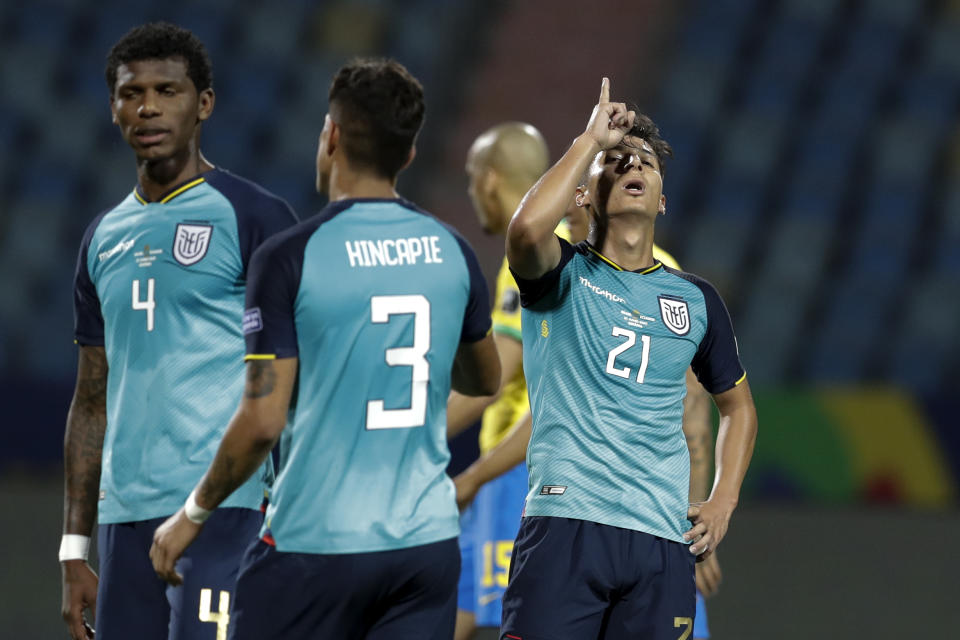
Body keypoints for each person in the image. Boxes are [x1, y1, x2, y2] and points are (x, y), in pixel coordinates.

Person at [149, 58, 501, 640]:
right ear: (408, 155)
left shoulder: (290, 257)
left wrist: (192, 515)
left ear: (331, 136)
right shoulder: (452, 252)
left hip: (315, 545)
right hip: (423, 548)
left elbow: (262, 421)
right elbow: (485, 378)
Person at [59, 22, 297, 640]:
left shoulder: (257, 217)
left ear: (205, 105)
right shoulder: (100, 239)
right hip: (125, 523)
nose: (148, 107)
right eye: (131, 93)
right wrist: (72, 549)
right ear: (112, 109)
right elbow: (91, 399)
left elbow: (302, 377)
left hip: (224, 513)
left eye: (168, 91)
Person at [499, 78, 758, 639]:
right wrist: (589, 141)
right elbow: (523, 228)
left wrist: (721, 502)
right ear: (584, 195)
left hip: (659, 543)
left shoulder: (696, 300)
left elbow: (737, 408)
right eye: (614, 163)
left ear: (662, 198)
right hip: (566, 526)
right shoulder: (559, 273)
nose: (630, 165)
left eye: (643, 161)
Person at [451, 130, 720, 639]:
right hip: (647, 508)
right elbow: (695, 417)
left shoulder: (551, 264)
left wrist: (465, 469)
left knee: (475, 617)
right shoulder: (673, 280)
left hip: (545, 483)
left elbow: (504, 383)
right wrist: (698, 515)